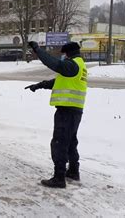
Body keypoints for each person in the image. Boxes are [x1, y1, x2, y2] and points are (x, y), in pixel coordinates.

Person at [26, 41, 87, 188]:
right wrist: (39, 85)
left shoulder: (72, 65)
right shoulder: (79, 65)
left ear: (68, 53)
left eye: (64, 54)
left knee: (59, 143)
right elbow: (58, 82)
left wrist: (38, 50)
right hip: (74, 110)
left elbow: (54, 64)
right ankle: (73, 171)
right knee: (71, 141)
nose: (63, 57)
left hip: (66, 111)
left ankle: (59, 177)